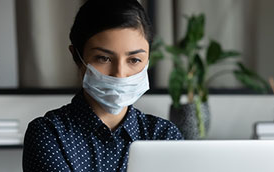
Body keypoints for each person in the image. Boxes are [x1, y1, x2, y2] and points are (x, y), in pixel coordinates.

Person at [22, 0, 183, 171]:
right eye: (103, 58)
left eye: (134, 60)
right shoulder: (49, 134)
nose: (119, 74)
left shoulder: (164, 136)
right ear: (77, 57)